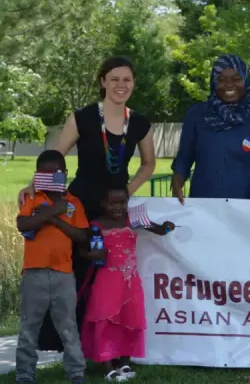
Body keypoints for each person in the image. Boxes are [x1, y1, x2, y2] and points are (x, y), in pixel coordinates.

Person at [17, 56, 155, 352]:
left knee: (108, 277)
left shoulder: (140, 122)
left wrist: (127, 191)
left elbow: (148, 164)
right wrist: (35, 183)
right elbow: (56, 155)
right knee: (76, 273)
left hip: (114, 211)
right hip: (80, 204)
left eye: (127, 80)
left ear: (133, 84)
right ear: (103, 81)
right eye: (114, 79)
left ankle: (103, 346)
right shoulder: (82, 117)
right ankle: (62, 343)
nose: (121, 85)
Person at [81, 184, 174, 382]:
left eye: (122, 202)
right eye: (112, 203)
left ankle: (124, 362)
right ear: (103, 203)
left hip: (130, 281)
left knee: (130, 319)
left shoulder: (133, 219)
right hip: (107, 279)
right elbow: (91, 249)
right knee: (104, 320)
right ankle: (107, 366)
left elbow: (158, 229)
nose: (118, 207)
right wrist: (93, 254)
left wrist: (166, 227)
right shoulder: (96, 225)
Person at [15, 150, 88, 384]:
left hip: (63, 273)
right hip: (33, 272)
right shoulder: (33, 198)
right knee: (29, 326)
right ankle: (25, 374)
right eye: (44, 174)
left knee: (68, 325)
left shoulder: (73, 203)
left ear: (64, 174)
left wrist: (55, 217)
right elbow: (23, 223)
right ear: (37, 176)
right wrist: (49, 212)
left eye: (55, 174)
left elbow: (81, 236)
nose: (50, 178)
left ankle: (76, 371)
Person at [171, 55, 250, 205]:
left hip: (247, 206)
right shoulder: (197, 115)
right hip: (203, 204)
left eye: (236, 79)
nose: (229, 85)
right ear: (213, 82)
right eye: (221, 79)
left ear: (246, 81)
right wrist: (177, 182)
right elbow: (184, 157)